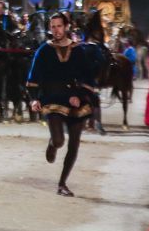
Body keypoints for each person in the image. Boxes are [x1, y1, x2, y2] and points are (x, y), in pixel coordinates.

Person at [26, 11, 98, 197]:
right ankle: (53, 144)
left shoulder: (79, 50)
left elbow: (88, 77)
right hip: (51, 98)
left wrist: (80, 96)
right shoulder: (44, 50)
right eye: (53, 27)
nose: (56, 30)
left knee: (74, 145)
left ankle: (62, 184)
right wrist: (34, 98)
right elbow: (33, 77)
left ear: (66, 27)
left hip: (75, 101)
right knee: (60, 140)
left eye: (59, 26)